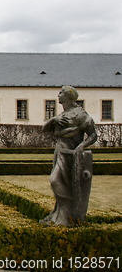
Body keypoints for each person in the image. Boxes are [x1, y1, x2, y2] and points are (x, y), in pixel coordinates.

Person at [40, 86, 97, 226]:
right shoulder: (62, 115)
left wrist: (81, 146)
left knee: (55, 181)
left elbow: (93, 135)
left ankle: (66, 213)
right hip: (60, 152)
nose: (58, 95)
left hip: (70, 155)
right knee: (58, 182)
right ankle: (59, 213)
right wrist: (55, 120)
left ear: (69, 97)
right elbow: (44, 128)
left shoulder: (79, 114)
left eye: (61, 93)